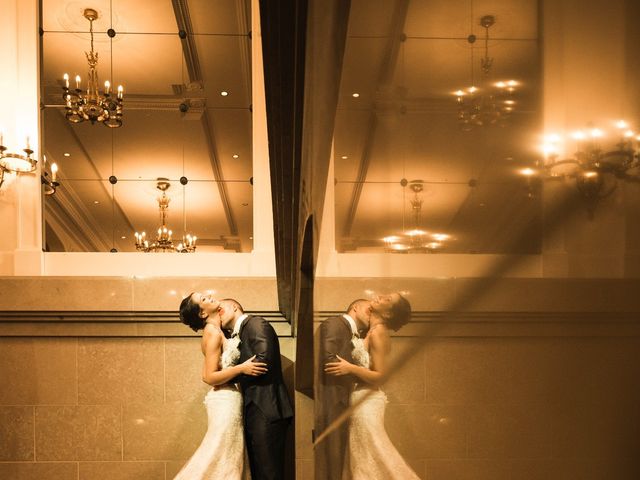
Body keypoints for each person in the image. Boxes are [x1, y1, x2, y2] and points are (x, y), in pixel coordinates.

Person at [325, 293, 419, 480]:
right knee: (362, 456)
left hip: (367, 401)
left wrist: (349, 367)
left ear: (389, 314)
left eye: (388, 300)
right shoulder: (371, 331)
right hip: (360, 399)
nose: (381, 296)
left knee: (374, 453)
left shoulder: (378, 333)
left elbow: (380, 377)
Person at [175, 292, 267, 480]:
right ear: (202, 314)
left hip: (230, 397)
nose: (209, 296)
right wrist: (243, 368)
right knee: (219, 452)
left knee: (228, 453)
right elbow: (208, 376)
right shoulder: (212, 332)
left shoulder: (218, 331)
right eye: (203, 299)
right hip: (225, 399)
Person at [218, 298, 294, 480]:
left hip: (267, 408)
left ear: (234, 306)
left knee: (269, 471)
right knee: (259, 470)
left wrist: (226, 377)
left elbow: (263, 361)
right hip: (255, 408)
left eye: (221, 309)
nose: (217, 313)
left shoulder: (255, 323)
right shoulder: (239, 334)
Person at [315, 299, 371, 480]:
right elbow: (329, 361)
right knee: (334, 459)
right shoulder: (335, 324)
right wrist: (364, 375)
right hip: (334, 400)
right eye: (369, 309)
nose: (372, 313)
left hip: (347, 401)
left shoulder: (353, 333)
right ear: (355, 307)